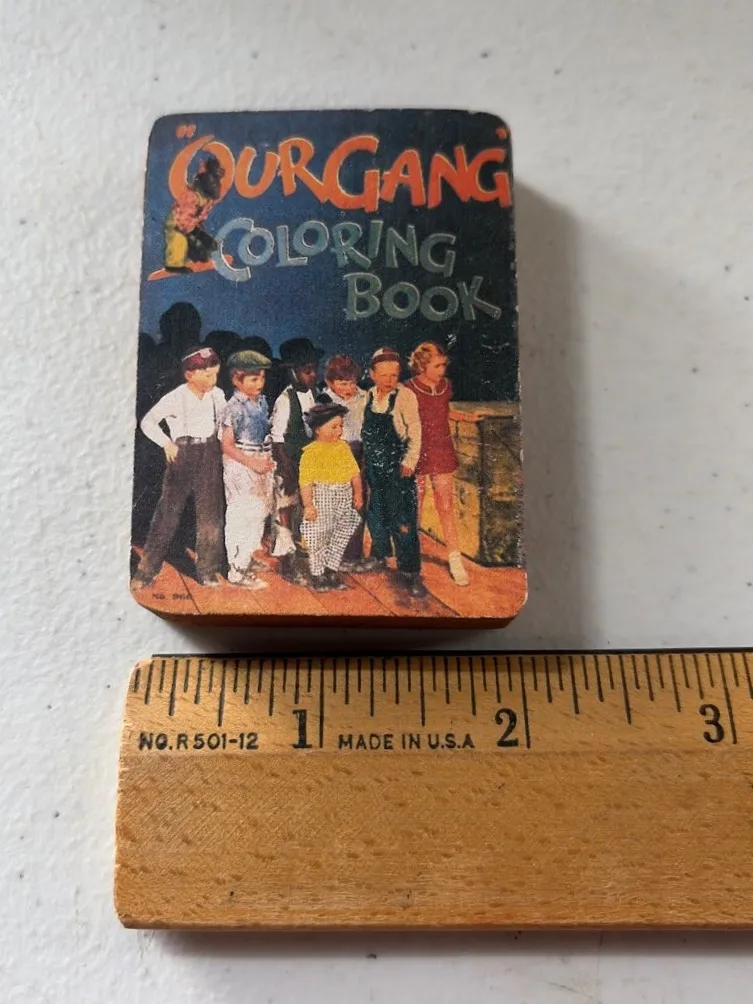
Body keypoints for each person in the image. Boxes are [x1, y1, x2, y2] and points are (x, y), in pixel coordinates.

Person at [132, 345, 225, 589]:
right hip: (184, 453)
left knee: (210, 515)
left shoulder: (217, 395)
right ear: (189, 375)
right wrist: (166, 443)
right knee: (168, 514)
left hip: (210, 453)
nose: (213, 378)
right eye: (207, 374)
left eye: (215, 373)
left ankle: (207, 570)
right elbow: (148, 422)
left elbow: (224, 423)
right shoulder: (175, 397)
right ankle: (146, 570)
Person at [360, 347, 427, 598]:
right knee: (377, 516)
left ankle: (411, 573)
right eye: (384, 375)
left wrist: (410, 461)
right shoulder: (368, 396)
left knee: (403, 522)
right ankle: (379, 557)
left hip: (398, 468)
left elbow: (415, 431)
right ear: (372, 374)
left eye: (394, 375)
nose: (390, 380)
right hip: (375, 469)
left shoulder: (405, 397)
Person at [405, 341, 468, 586]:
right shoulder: (408, 388)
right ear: (422, 366)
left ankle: (455, 559)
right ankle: (411, 560)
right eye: (437, 366)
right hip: (418, 452)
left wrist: (468, 417)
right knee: (415, 506)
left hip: (441, 451)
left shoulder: (446, 386)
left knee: (446, 506)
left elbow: (444, 411)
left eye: (443, 365)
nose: (442, 370)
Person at [220, 349, 276, 590]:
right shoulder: (233, 407)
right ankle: (236, 569)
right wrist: (252, 463)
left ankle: (247, 558)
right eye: (253, 379)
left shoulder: (262, 402)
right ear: (236, 379)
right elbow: (226, 445)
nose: (259, 383)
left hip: (261, 463)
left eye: (262, 378)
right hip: (241, 465)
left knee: (258, 514)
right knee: (242, 514)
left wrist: (266, 460)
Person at [270, 337, 323, 583]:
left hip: (307, 464)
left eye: (314, 369)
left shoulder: (312, 394)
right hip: (289, 465)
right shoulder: (284, 400)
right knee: (286, 509)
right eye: (307, 371)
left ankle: (301, 552)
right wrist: (287, 470)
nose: (313, 375)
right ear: (292, 371)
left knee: (305, 510)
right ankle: (286, 561)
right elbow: (277, 439)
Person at [299, 403, 363, 592]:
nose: (339, 431)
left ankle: (331, 570)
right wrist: (308, 505)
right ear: (318, 430)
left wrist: (358, 493)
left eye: (341, 426)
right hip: (323, 498)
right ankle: (317, 573)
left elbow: (354, 473)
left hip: (343, 497)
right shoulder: (310, 453)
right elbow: (306, 483)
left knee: (340, 534)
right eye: (334, 427)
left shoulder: (343, 447)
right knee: (319, 535)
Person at [316, 355, 368, 570]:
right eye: (343, 383)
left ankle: (352, 556)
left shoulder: (364, 397)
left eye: (352, 382)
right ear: (330, 383)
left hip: (359, 452)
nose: (348, 388)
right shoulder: (324, 400)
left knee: (358, 503)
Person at [163, 155, 224, 272]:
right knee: (178, 241)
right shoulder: (191, 197)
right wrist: (194, 233)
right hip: (178, 223)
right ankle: (174, 265)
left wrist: (200, 234)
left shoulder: (208, 200)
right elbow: (182, 219)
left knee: (205, 248)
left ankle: (197, 257)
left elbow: (200, 217)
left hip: (191, 225)